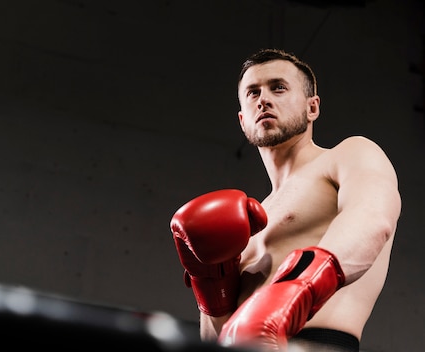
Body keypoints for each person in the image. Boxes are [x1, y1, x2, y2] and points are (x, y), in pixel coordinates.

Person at [170, 48, 401, 351]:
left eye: (278, 87)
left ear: (312, 107)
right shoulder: (246, 226)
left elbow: (373, 221)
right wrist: (210, 285)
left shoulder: (350, 155)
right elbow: (218, 338)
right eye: (252, 93)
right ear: (242, 120)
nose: (263, 99)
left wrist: (293, 291)